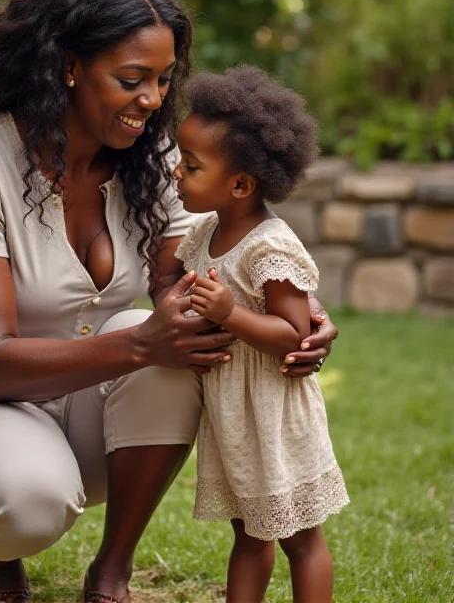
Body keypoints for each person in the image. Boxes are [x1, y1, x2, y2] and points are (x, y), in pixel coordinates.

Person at [0, 0, 339, 603]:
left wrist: (296, 309)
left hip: (86, 400)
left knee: (178, 336)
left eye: (163, 80)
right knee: (29, 500)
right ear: (69, 66)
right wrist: (140, 345)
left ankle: (110, 572)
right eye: (132, 79)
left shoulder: (150, 156)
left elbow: (211, 260)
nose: (152, 101)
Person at [173, 65, 349, 603]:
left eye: (191, 165)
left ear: (241, 184)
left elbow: (296, 336)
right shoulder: (205, 230)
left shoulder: (269, 247)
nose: (177, 173)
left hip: (275, 412)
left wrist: (230, 313)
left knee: (300, 538)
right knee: (249, 534)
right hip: (236, 415)